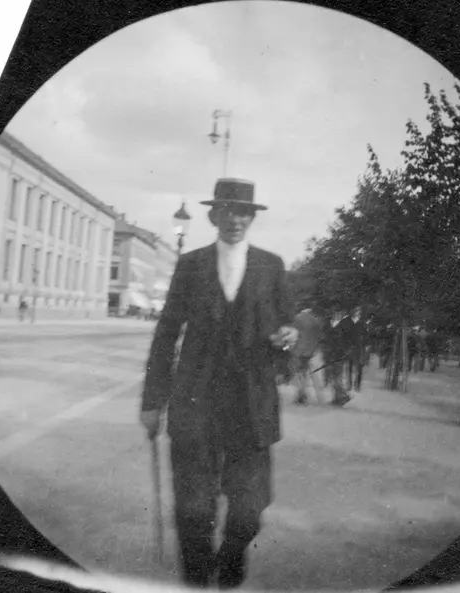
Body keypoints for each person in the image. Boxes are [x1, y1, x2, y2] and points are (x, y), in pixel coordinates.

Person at [139, 178, 298, 589]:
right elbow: (166, 333)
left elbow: (287, 330)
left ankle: (231, 555)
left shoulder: (271, 266)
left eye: (243, 212)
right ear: (214, 216)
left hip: (251, 404)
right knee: (193, 509)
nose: (235, 219)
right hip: (196, 401)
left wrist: (287, 339)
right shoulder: (191, 265)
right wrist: (152, 401)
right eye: (227, 211)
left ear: (252, 218)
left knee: (248, 511)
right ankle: (196, 579)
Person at [291, 306, 323, 405]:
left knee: (299, 372)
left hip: (299, 350)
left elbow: (293, 334)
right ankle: (304, 394)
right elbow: (319, 336)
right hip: (310, 350)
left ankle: (301, 394)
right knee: (305, 372)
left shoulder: (297, 318)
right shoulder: (316, 320)